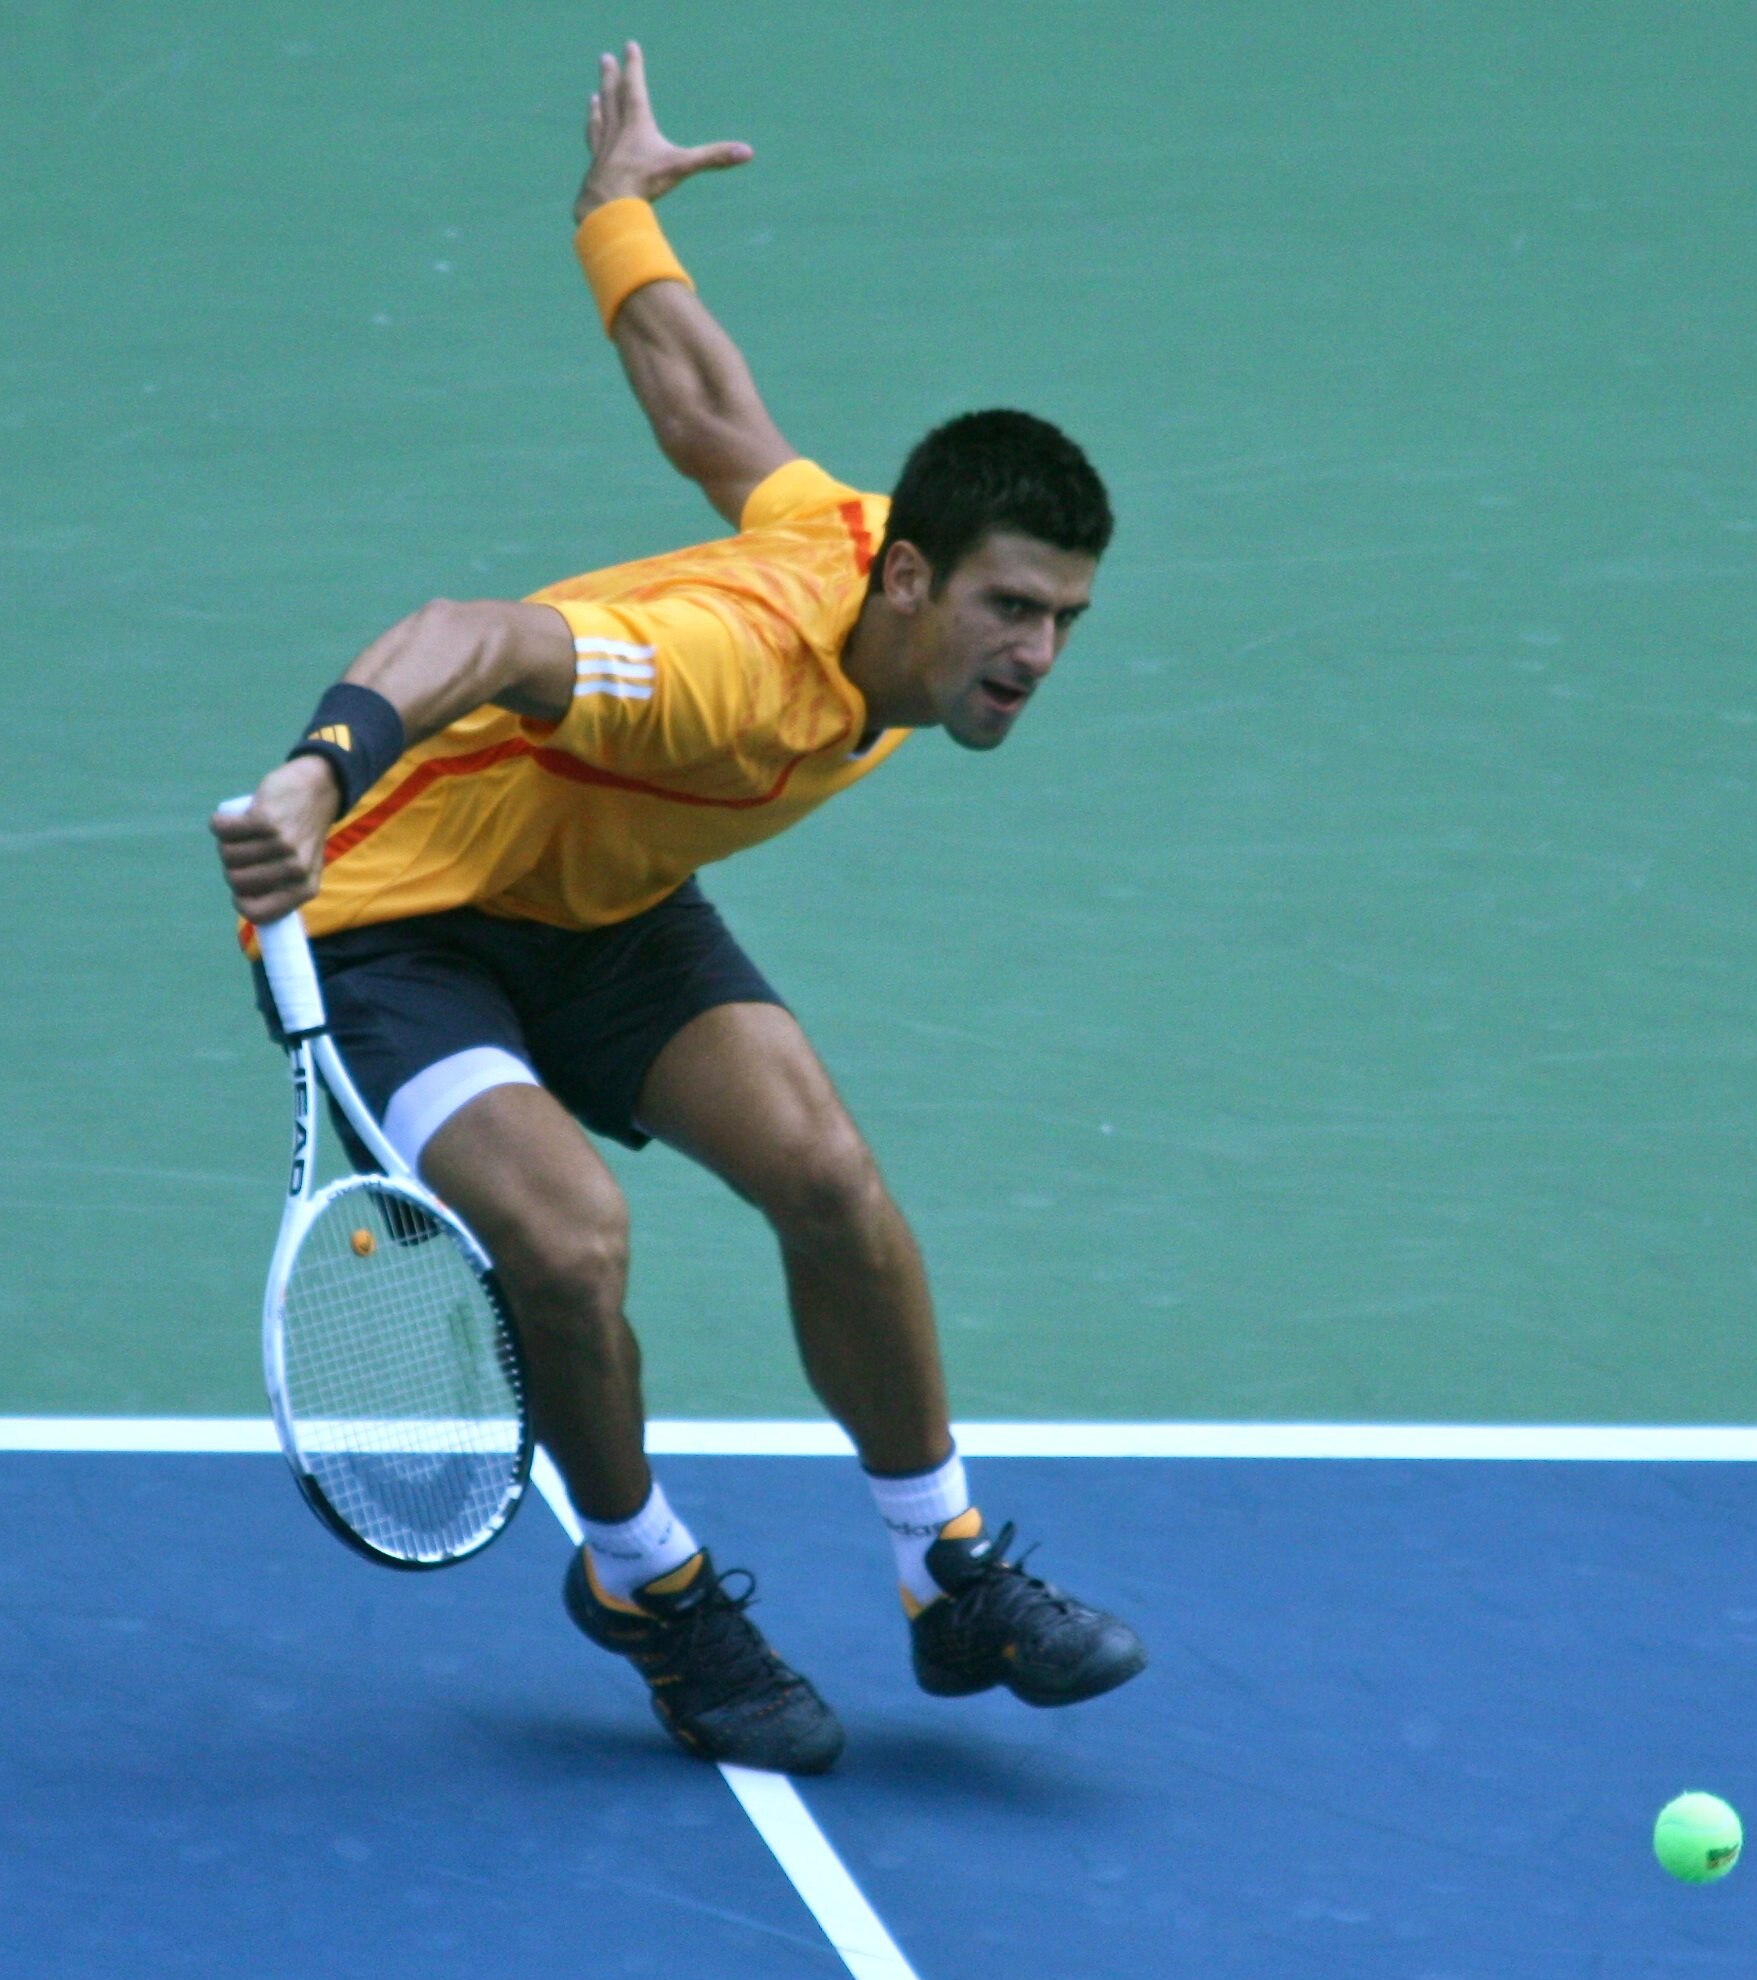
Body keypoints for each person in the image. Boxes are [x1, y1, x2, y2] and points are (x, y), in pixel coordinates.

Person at [208, 42, 1144, 1775]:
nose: (1036, 652)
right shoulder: (718, 671)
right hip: (394, 922)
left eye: (1064, 619)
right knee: (569, 1245)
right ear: (913, 577)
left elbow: (712, 414)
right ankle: (646, 1585)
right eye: (1011, 608)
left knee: (828, 1180)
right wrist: (321, 775)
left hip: (602, 899)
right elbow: (475, 635)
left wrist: (616, 219)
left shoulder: (859, 547)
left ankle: (943, 1568)